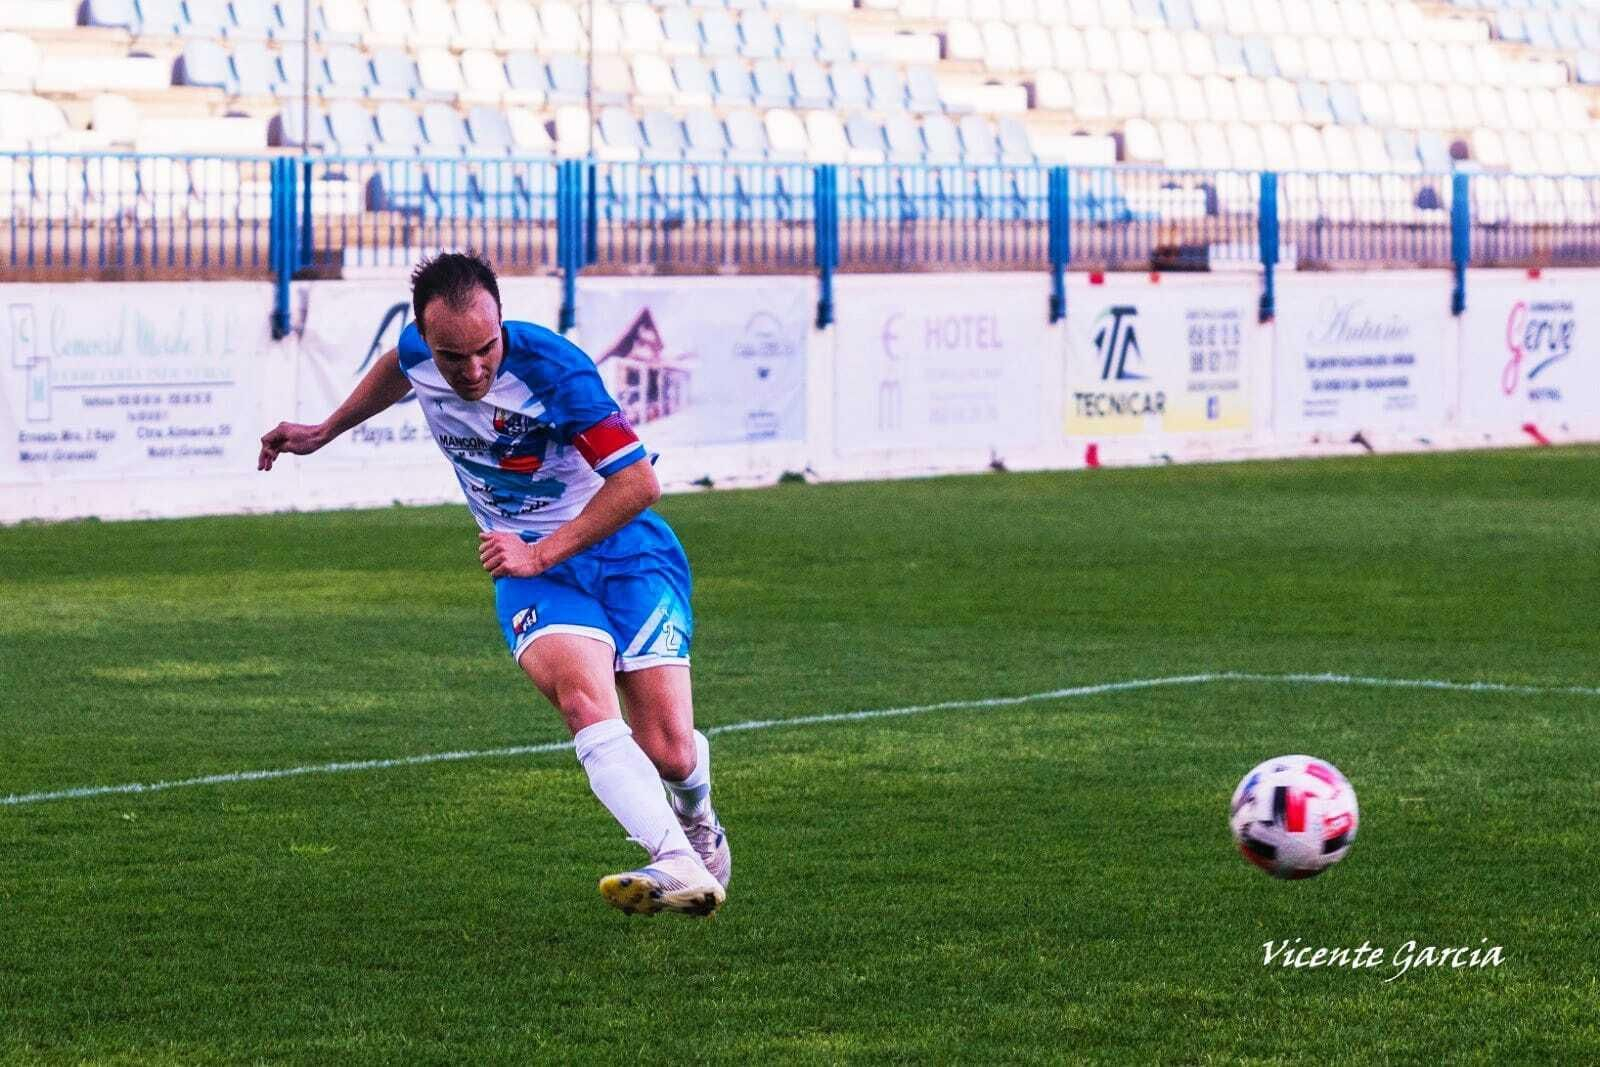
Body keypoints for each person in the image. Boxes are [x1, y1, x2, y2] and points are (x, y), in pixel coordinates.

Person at [258, 253, 729, 918]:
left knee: (670, 749)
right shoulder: (419, 350)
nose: (472, 370)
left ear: (502, 320)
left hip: (623, 550)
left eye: (485, 349)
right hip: (527, 569)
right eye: (454, 357)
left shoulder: (554, 370)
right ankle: (674, 858)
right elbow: (397, 369)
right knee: (582, 700)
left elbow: (638, 484)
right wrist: (323, 430)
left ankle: (698, 821)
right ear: (427, 334)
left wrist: (541, 553)